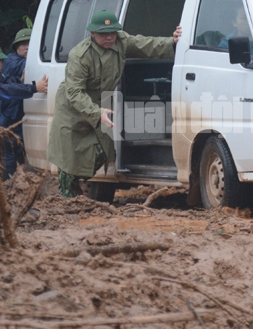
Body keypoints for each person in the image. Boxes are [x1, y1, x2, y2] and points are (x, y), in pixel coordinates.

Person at [48, 10, 181, 198]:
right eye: (103, 34)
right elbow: (74, 92)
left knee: (102, 152)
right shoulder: (80, 55)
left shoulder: (122, 41)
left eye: (112, 33)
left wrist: (172, 42)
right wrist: (96, 112)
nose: (109, 37)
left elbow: (145, 44)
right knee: (69, 158)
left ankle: (79, 186)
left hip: (100, 105)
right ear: (92, 34)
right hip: (73, 109)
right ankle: (66, 197)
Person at [0, 28, 48, 179]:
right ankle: (6, 190)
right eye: (23, 44)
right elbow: (27, 67)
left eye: (30, 43)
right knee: (7, 156)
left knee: (18, 155)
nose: (27, 47)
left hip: (17, 119)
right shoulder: (11, 60)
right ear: (16, 48)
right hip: (3, 119)